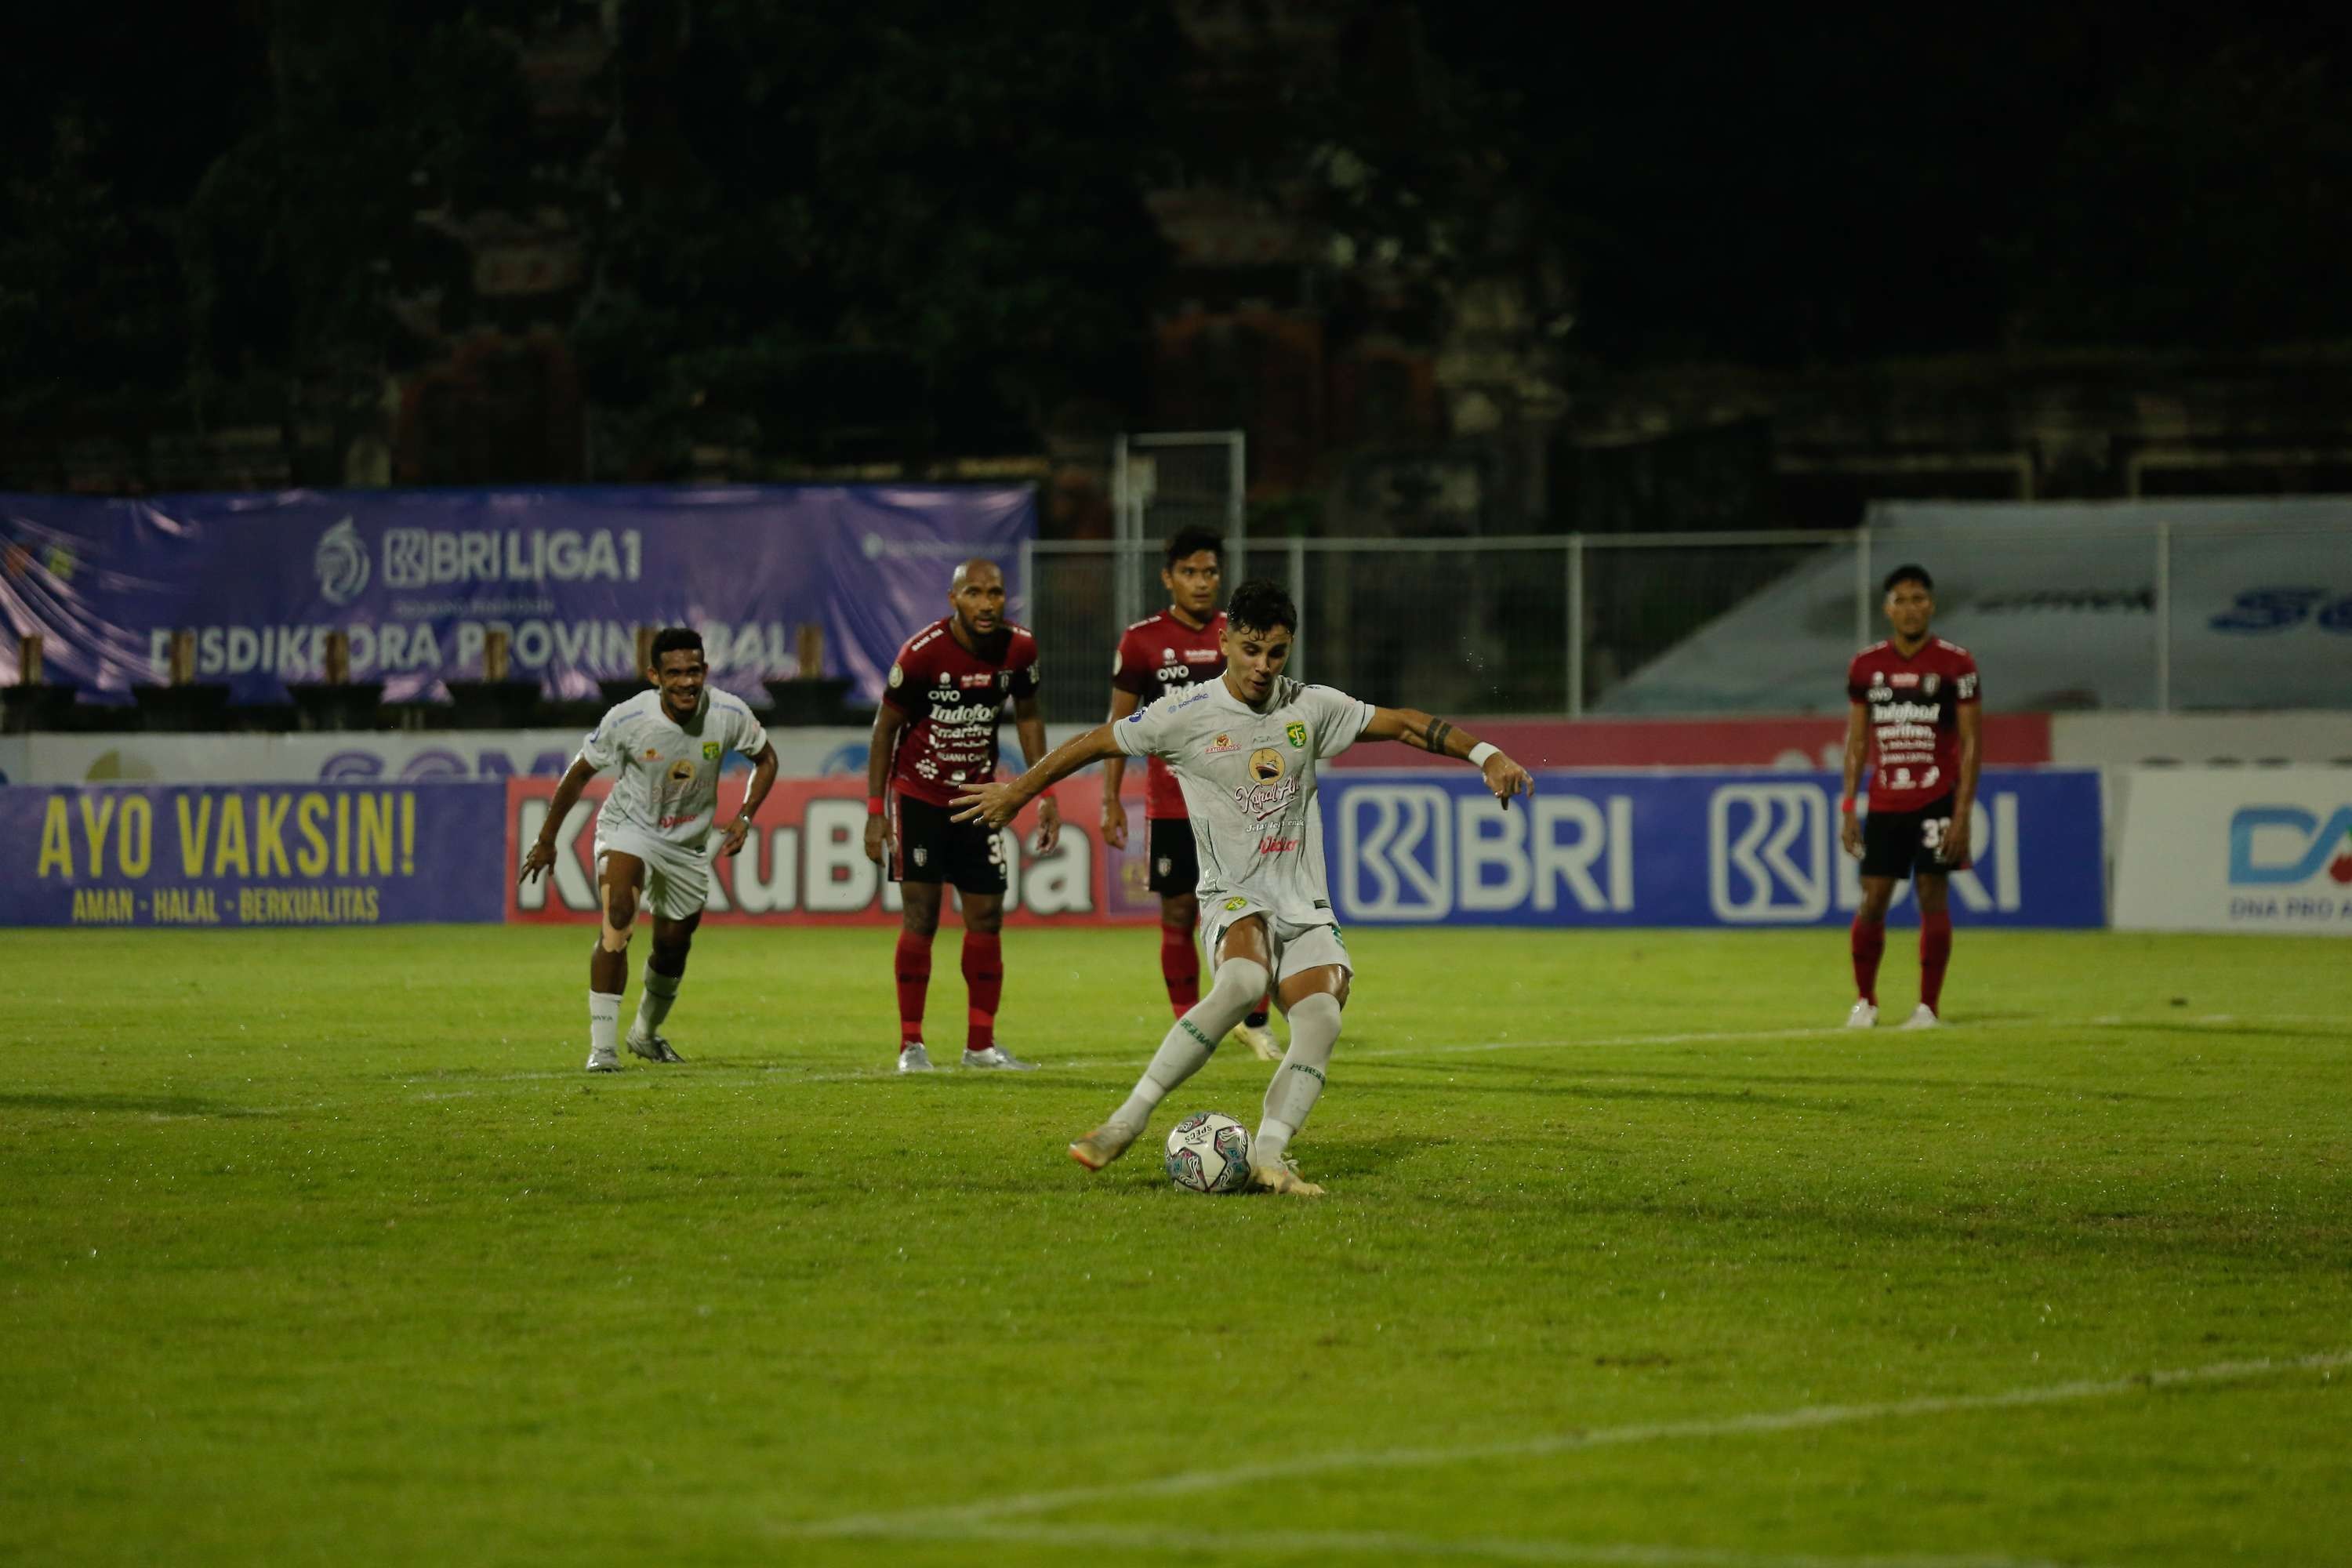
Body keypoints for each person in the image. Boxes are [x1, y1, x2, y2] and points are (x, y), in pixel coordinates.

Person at [953, 579, 1534, 1196]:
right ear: (1226, 640)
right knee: (1245, 981)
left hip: (1303, 903)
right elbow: (1097, 740)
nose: (1262, 666)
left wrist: (1486, 755)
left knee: (1320, 1021)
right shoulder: (1184, 713)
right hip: (1232, 897)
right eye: (1251, 649)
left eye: (1276, 652)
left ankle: (1271, 1155)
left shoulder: (1309, 706)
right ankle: (1124, 1122)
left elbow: (1407, 726)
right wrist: (1018, 792)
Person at [521, 626, 778, 1072]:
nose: (686, 682)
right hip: (629, 828)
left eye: (694, 671)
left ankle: (645, 1034)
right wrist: (547, 840)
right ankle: (602, 1049)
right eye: (674, 673)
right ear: (654, 675)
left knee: (673, 947)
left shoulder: (728, 713)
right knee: (618, 915)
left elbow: (767, 759)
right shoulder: (627, 720)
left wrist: (746, 814)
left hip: (689, 843)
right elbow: (579, 774)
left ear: (706, 671)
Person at [863, 557, 1061, 1073]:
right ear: (954, 599)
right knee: (921, 917)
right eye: (974, 593)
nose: (987, 603)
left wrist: (1043, 792)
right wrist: (875, 812)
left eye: (995, 593)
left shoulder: (1019, 648)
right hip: (920, 796)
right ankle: (911, 1045)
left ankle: (980, 1046)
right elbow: (885, 729)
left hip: (981, 799)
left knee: (987, 918)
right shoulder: (924, 654)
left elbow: (1030, 715)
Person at [1102, 526, 1279, 1061]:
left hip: (1243, 805)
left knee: (1254, 914)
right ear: (1168, 578)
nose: (1202, 583)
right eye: (1190, 573)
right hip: (1174, 806)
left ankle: (1255, 1021)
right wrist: (1111, 799)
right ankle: (1191, 1025)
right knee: (1178, 913)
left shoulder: (1241, 636)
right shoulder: (1141, 641)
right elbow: (1118, 725)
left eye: (1210, 573)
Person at [1839, 564, 1981, 1029]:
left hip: (1936, 798)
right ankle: (1866, 1000)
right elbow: (1858, 742)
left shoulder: (1956, 664)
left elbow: (1971, 744)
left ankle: (1928, 1008)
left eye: (1919, 598)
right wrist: (1848, 806)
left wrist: (1962, 815)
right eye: (1901, 600)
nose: (1911, 608)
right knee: (1874, 898)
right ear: (1888, 609)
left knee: (1931, 894)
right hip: (1884, 802)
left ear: (1931, 605)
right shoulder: (1866, 666)